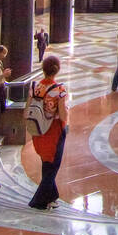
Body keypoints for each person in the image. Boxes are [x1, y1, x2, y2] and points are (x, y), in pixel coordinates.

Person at [27, 55, 68, 210]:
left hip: (38, 129)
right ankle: (38, 200)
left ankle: (52, 196)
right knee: (53, 165)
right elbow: (63, 115)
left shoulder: (34, 87)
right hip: (54, 130)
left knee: (47, 162)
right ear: (57, 70)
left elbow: (26, 111)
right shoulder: (60, 90)